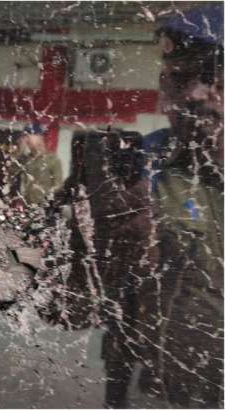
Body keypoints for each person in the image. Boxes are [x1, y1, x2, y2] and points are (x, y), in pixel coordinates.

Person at [135, 5, 223, 407]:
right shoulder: (143, 167)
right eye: (179, 78)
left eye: (213, 76)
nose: (193, 94)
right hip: (174, 387)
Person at [12, 124, 62, 206]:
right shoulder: (24, 159)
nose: (26, 140)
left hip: (46, 206)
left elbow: (58, 185)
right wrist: (20, 150)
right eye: (25, 137)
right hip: (26, 205)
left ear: (39, 137)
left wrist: (43, 192)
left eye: (29, 136)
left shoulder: (52, 159)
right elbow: (11, 172)